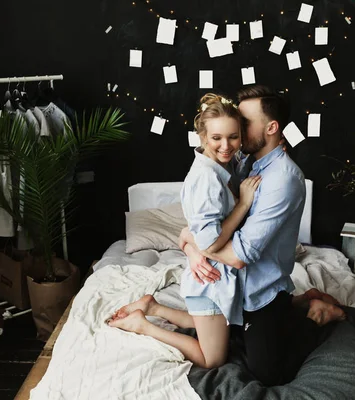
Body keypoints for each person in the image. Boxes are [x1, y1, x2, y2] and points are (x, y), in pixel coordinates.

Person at [179, 85, 346, 386]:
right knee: (234, 342)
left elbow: (239, 257)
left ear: (271, 127)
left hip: (261, 292)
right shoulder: (244, 163)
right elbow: (199, 223)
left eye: (244, 125)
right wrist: (191, 248)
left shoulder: (283, 179)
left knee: (269, 374)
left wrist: (196, 244)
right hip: (238, 287)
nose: (237, 134)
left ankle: (316, 314)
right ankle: (301, 301)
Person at [108, 93, 261, 369]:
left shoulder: (221, 167)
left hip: (212, 275)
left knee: (213, 326)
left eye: (233, 137)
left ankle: (153, 306)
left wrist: (188, 242)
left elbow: (194, 231)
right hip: (211, 278)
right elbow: (212, 241)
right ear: (203, 137)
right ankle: (143, 324)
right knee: (212, 359)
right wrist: (244, 203)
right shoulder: (207, 179)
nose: (226, 146)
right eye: (217, 138)